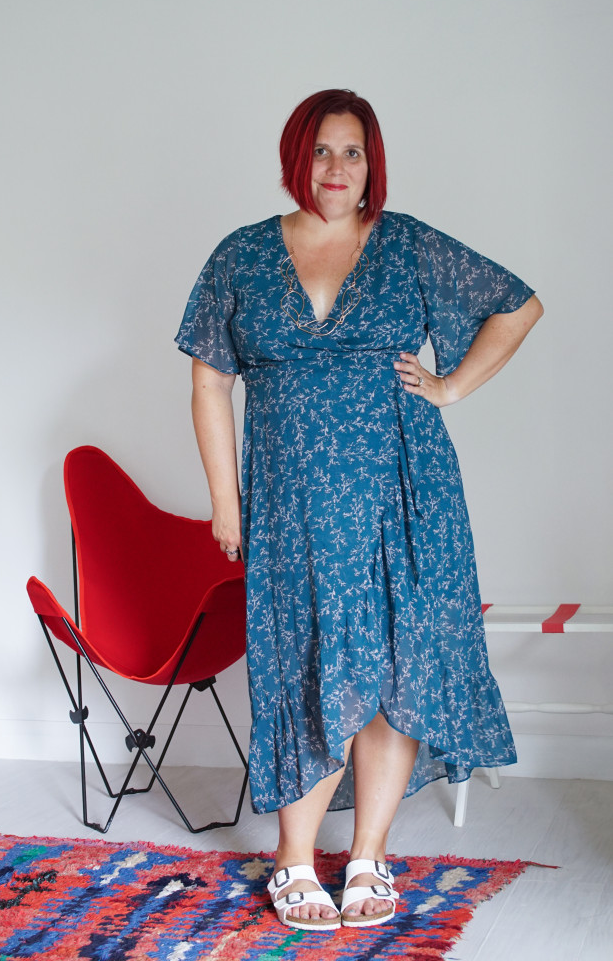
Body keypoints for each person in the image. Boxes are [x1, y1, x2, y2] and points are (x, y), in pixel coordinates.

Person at [176, 89, 543, 932]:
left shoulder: (407, 244)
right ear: (292, 159)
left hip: (403, 491)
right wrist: (224, 503)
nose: (335, 168)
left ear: (370, 162)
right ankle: (294, 859)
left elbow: (516, 304)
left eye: (351, 152)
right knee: (298, 662)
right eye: (318, 152)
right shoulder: (240, 255)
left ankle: (370, 852)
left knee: (397, 665)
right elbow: (207, 379)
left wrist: (449, 386)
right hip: (293, 503)